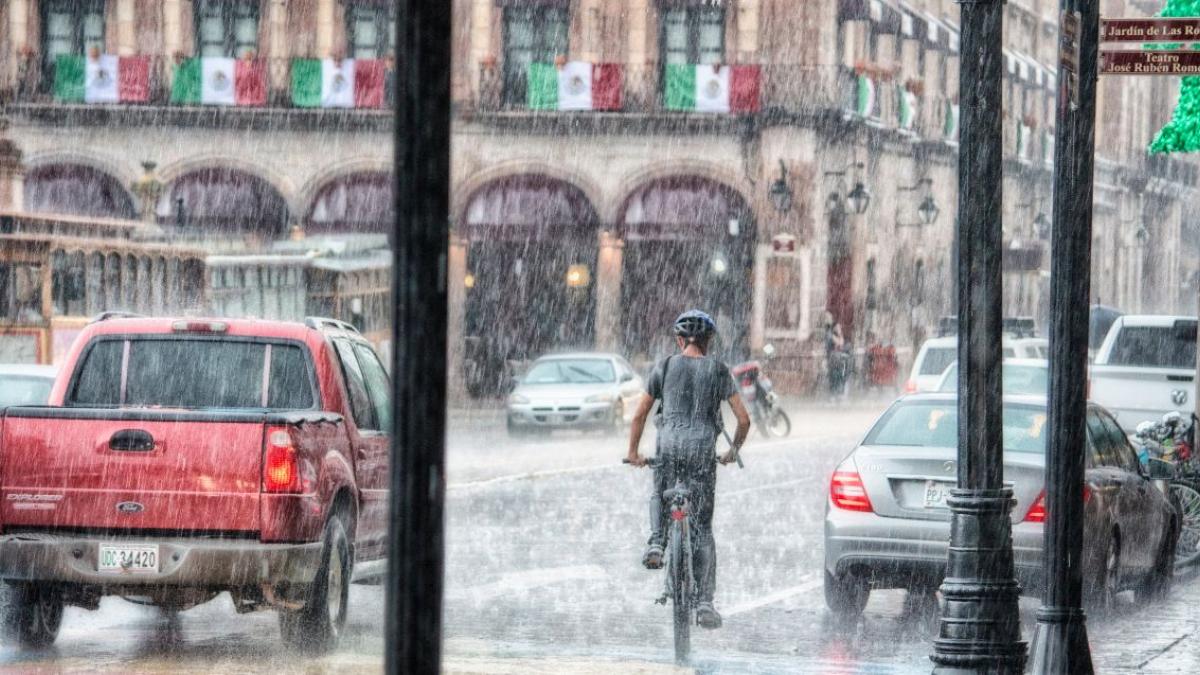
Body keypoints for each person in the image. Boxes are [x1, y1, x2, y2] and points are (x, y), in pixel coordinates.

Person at [625, 309, 752, 630]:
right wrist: (731, 451)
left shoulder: (665, 366)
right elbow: (744, 419)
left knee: (660, 490)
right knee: (703, 530)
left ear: (679, 340)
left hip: (669, 447)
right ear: (708, 342)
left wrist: (633, 452)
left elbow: (639, 415)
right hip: (701, 453)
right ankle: (705, 602)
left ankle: (656, 541)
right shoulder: (719, 370)